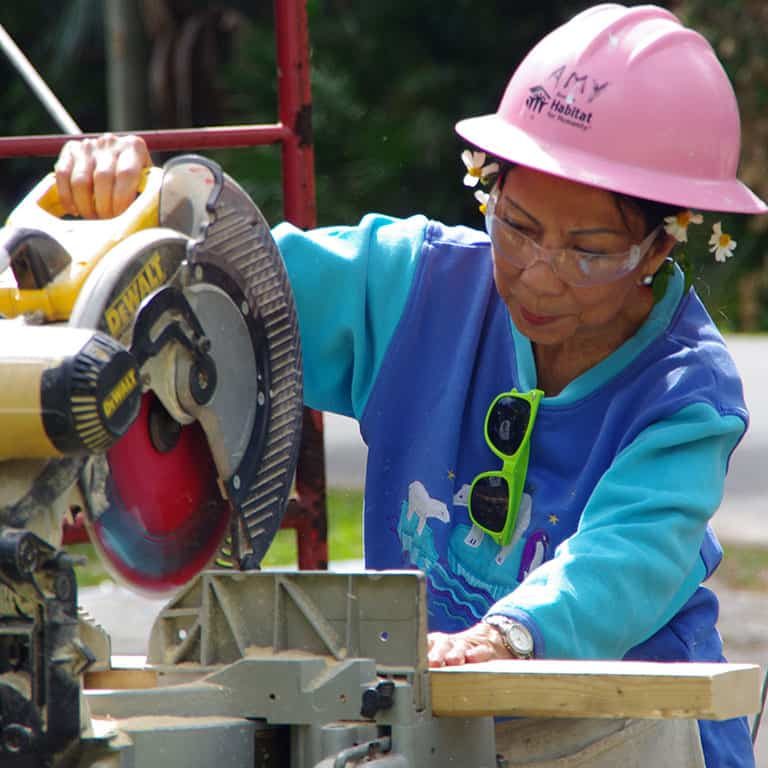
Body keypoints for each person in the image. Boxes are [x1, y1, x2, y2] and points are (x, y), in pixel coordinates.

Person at [54, 4, 765, 766]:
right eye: (517, 225)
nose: (538, 273)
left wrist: (508, 636)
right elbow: (222, 279)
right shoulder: (413, 289)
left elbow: (630, 557)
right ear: (488, 185)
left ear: (662, 242)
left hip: (626, 722)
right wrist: (132, 202)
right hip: (429, 717)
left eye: (589, 249)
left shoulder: (687, 395)